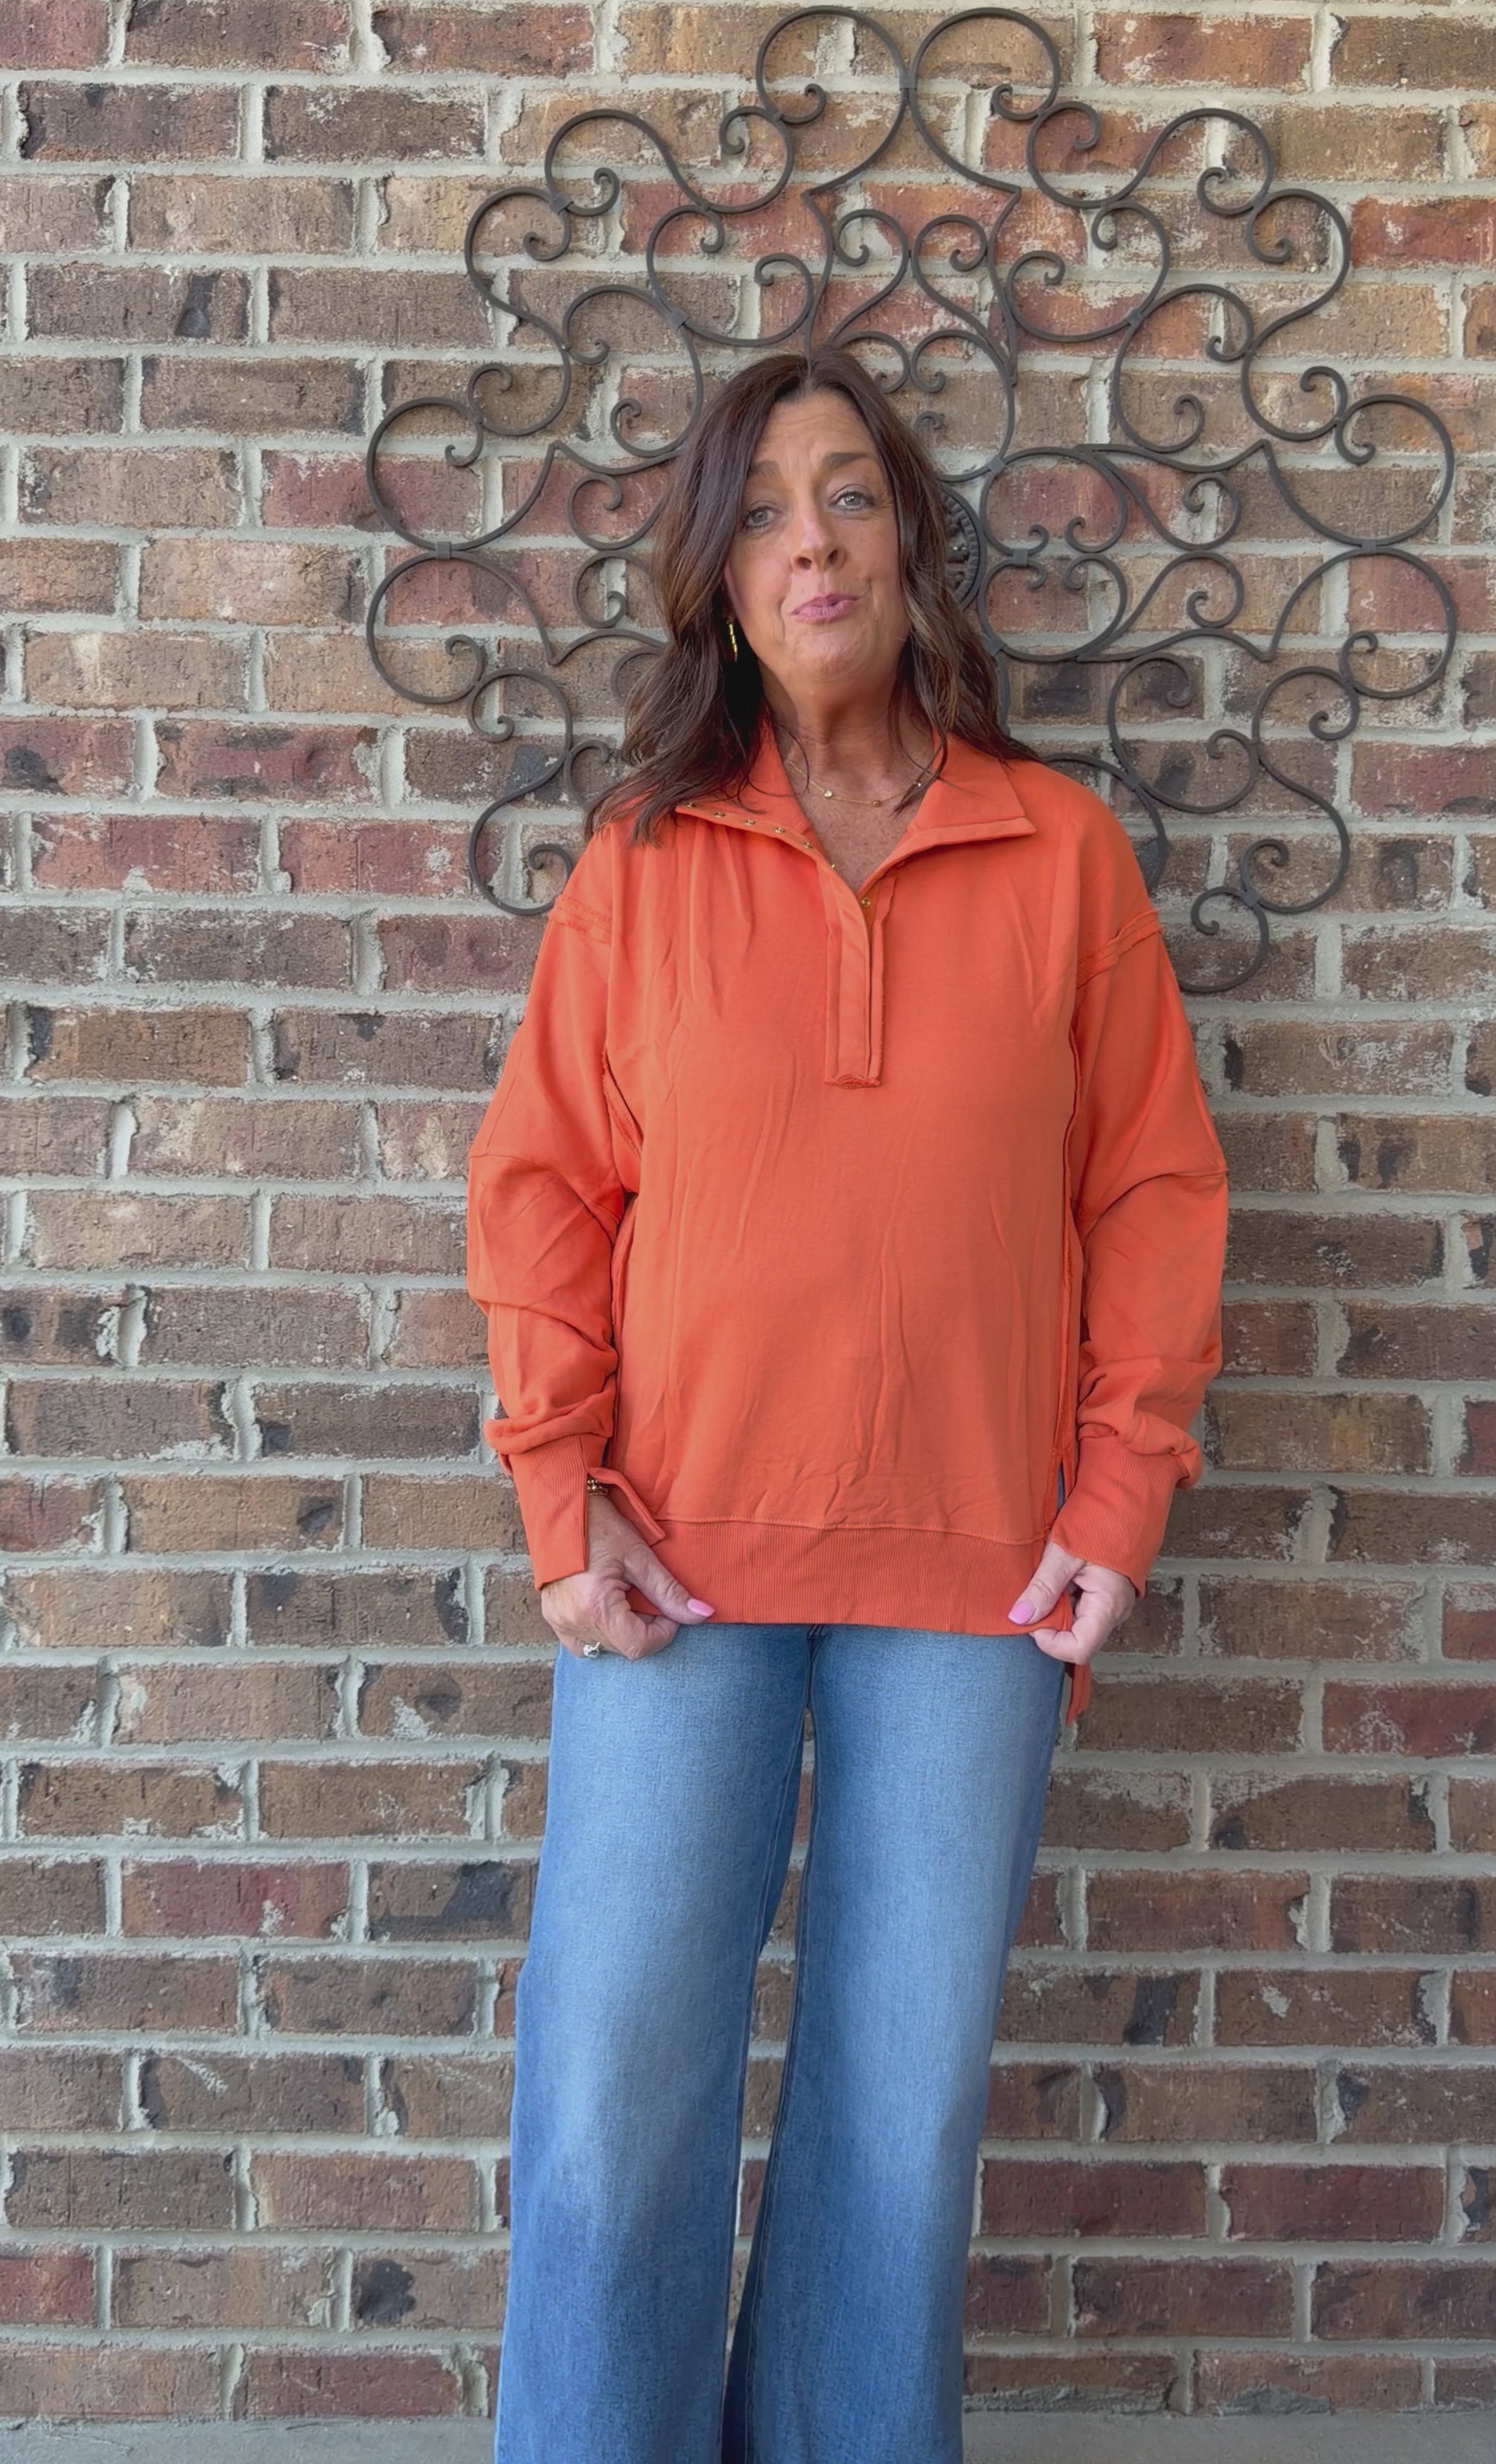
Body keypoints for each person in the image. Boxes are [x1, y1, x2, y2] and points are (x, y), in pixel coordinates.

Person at [465, 345, 1229, 2464]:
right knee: (614, 2097)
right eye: (768, 512)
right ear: (722, 584)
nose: (816, 542)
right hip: (676, 1566)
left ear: (911, 546)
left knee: (900, 2129)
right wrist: (558, 1490)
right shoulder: (644, 862)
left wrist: (1120, 1491)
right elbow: (540, 1189)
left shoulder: (1059, 856)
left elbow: (1156, 1191)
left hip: (981, 1576)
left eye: (855, 496)